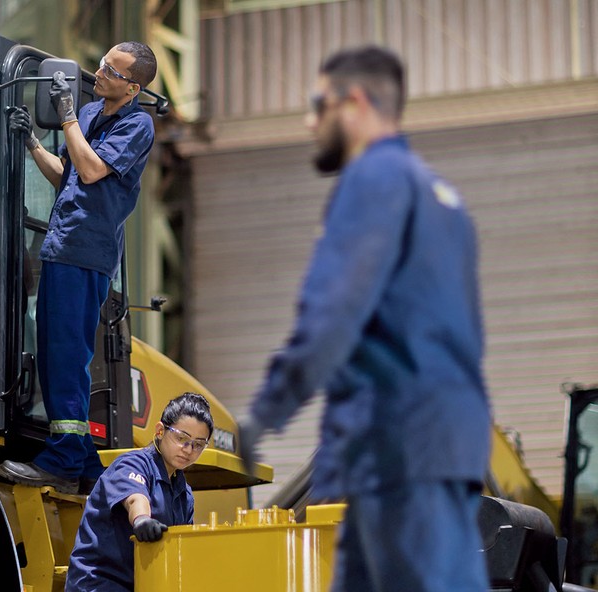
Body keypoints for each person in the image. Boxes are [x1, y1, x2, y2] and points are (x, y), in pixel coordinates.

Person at [237, 45, 491, 592]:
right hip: (426, 441)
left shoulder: (373, 179)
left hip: (397, 443)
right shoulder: (443, 198)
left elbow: (334, 311)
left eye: (316, 104)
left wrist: (268, 410)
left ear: (353, 102)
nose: (309, 122)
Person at [0, 42, 158, 494]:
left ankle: (64, 459)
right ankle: (85, 463)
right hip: (61, 244)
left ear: (133, 87)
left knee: (67, 355)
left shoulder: (137, 124)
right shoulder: (89, 117)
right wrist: (31, 140)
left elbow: (90, 171)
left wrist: (67, 114)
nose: (100, 73)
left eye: (111, 70)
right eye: (102, 64)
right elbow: (65, 173)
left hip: (87, 252)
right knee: (53, 352)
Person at [65, 392, 213, 591]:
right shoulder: (133, 464)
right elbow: (135, 498)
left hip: (142, 584)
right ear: (160, 431)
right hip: (98, 583)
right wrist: (142, 520)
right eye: (181, 438)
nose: (188, 449)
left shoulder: (184, 494)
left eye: (198, 445)